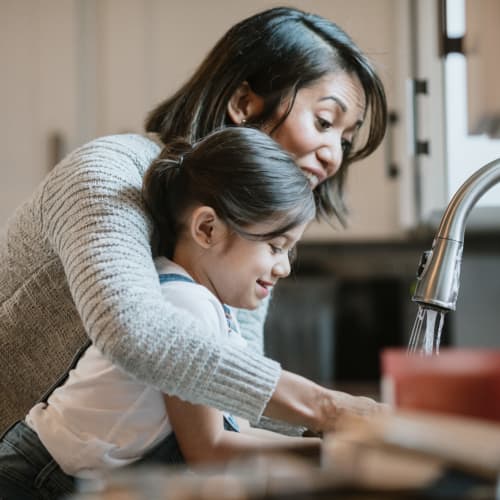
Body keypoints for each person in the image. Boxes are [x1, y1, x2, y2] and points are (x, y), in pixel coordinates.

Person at [0, 6, 388, 443]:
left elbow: (229, 396)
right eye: (323, 122)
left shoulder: (242, 232)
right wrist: (328, 409)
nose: (334, 156)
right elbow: (132, 331)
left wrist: (343, 436)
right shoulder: (106, 174)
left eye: (346, 139)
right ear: (244, 103)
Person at [0, 127, 322, 499]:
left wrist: (328, 448)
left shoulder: (209, 306)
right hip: (34, 482)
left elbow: (237, 431)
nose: (284, 267)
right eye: (275, 246)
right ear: (206, 228)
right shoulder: (185, 305)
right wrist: (331, 450)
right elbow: (210, 449)